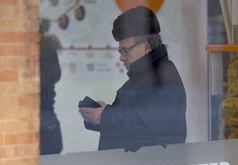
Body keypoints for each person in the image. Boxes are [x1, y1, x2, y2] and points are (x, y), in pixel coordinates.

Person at [80, 6, 187, 152]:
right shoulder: (142, 76)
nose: (122, 57)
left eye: (125, 50)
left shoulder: (164, 75)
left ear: (146, 46)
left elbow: (147, 124)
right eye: (120, 51)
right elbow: (131, 122)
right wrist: (100, 115)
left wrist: (104, 116)